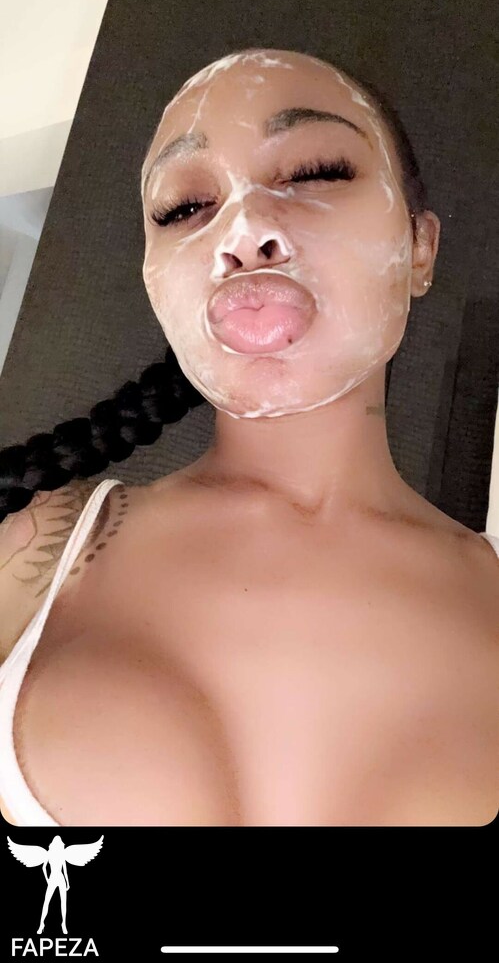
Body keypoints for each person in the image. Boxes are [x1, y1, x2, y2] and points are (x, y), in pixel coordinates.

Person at [0, 48, 498, 828]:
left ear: (419, 250)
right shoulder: (28, 553)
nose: (243, 230)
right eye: (182, 208)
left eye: (316, 171)